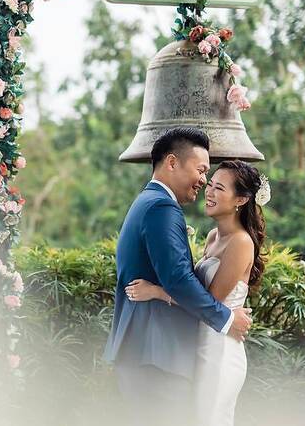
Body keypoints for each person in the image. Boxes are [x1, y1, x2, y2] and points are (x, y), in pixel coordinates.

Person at [103, 127, 253, 426]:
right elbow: (179, 280)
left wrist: (158, 291)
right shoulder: (161, 207)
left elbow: (177, 281)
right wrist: (225, 318)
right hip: (157, 353)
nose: (204, 183)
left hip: (153, 353)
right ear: (172, 163)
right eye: (201, 170)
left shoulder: (148, 202)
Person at [125, 159, 269, 426]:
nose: (209, 192)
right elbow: (195, 289)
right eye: (210, 184)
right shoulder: (214, 236)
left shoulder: (240, 242)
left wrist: (157, 291)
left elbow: (208, 299)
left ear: (241, 199)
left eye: (220, 189)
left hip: (220, 350)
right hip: (198, 342)